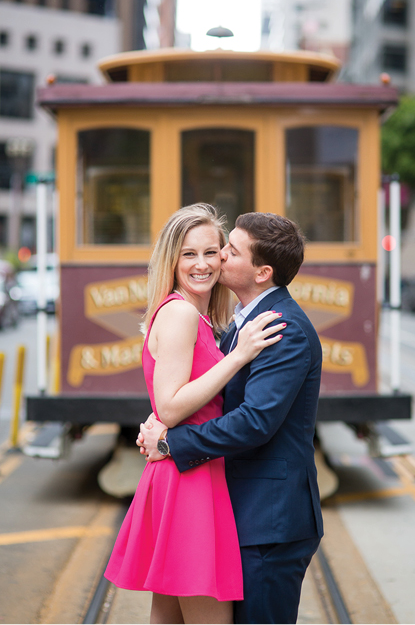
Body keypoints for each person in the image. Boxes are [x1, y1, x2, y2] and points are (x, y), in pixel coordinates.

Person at [138, 211, 324, 624]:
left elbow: (255, 421)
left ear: (262, 272)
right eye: (193, 253)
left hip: (268, 518)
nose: (219, 257)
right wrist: (161, 418)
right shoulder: (234, 323)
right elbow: (192, 394)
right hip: (231, 502)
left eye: (228, 250)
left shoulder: (281, 328)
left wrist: (170, 441)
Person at [104, 203, 286, 624]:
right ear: (172, 259)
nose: (202, 264)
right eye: (189, 254)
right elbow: (169, 406)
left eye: (211, 252)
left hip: (187, 471)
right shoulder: (182, 313)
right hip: (189, 480)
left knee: (168, 616)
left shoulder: (196, 315)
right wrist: (238, 356)